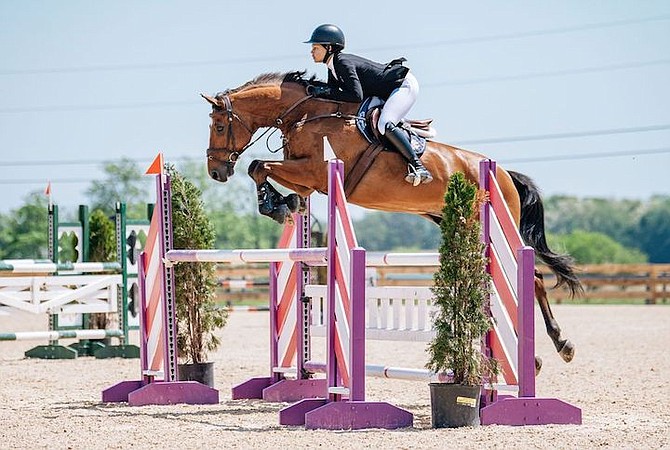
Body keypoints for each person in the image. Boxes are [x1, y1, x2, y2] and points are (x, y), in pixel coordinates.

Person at [304, 24, 433, 186]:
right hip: (383, 92)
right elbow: (334, 91)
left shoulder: (342, 63)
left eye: (315, 47)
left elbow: (356, 96)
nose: (311, 51)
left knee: (384, 124)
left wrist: (322, 92)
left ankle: (419, 166)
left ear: (328, 48)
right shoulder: (333, 66)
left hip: (403, 86)